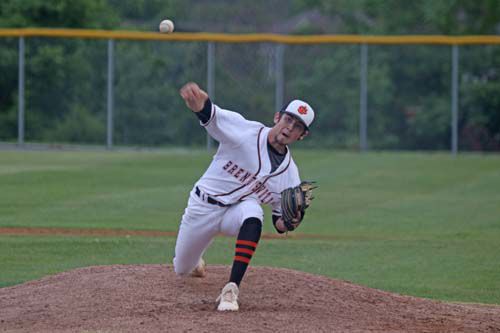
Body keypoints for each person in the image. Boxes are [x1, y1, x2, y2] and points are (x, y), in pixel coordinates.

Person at [174, 82, 315, 311]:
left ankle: (231, 288)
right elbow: (212, 114)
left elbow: (279, 223)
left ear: (302, 136)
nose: (290, 127)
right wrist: (199, 105)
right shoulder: (245, 131)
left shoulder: (290, 176)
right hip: (203, 206)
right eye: (288, 119)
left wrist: (293, 221)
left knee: (253, 212)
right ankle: (195, 260)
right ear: (277, 117)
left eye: (298, 126)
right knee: (182, 268)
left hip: (235, 212)